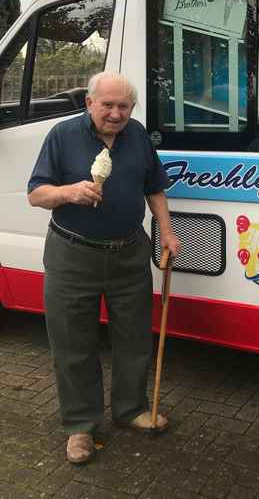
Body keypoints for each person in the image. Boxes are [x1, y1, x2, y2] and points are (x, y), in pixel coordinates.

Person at [27, 71, 181, 464]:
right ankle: (80, 425)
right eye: (107, 105)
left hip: (129, 251)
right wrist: (69, 192)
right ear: (89, 103)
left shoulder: (138, 135)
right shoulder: (62, 136)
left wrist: (166, 232)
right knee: (73, 342)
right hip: (72, 253)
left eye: (123, 106)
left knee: (133, 338)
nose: (115, 114)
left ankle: (131, 410)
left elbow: (154, 187)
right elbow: (36, 194)